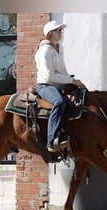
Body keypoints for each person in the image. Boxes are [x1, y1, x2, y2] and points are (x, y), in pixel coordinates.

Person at [35, 20, 84, 152]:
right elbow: (49, 76)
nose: (60, 33)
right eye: (57, 30)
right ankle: (51, 141)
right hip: (45, 85)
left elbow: (63, 71)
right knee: (59, 102)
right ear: (50, 34)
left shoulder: (58, 49)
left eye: (61, 30)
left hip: (57, 86)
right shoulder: (44, 51)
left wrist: (73, 82)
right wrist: (71, 81)